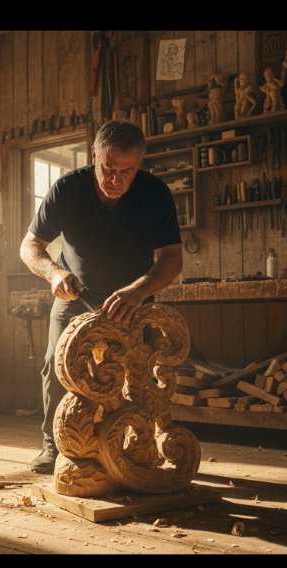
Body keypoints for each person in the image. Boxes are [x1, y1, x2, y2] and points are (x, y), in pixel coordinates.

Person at [19, 120, 183, 474]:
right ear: (94, 155)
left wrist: (139, 290)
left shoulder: (154, 193)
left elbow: (172, 258)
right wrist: (54, 273)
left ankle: (135, 447)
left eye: (127, 171)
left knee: (137, 372)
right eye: (109, 169)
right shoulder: (67, 189)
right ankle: (54, 446)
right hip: (75, 292)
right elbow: (29, 245)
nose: (116, 180)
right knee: (57, 366)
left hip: (133, 298)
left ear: (139, 164)